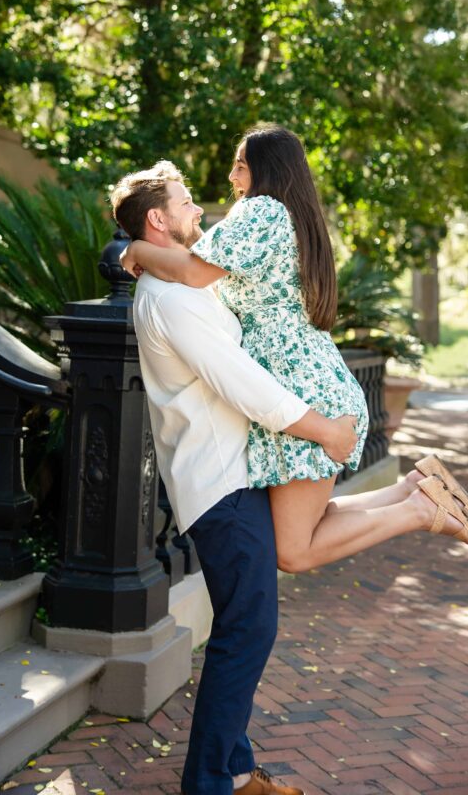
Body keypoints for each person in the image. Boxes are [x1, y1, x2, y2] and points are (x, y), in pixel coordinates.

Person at [121, 125, 468, 575]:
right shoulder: (283, 214)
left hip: (302, 390)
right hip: (307, 381)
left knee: (293, 550)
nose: (232, 178)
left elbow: (193, 273)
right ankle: (415, 487)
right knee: (308, 527)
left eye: (240, 166)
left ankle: (418, 511)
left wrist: (134, 247)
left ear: (265, 170)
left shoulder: (261, 211)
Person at [111, 160, 362, 795]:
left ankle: (237, 771)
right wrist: (323, 429)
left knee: (244, 627)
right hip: (218, 486)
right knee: (247, 631)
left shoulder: (184, 286)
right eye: (187, 202)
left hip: (233, 476)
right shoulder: (170, 299)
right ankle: (210, 784)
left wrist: (130, 250)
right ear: (159, 219)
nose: (202, 210)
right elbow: (241, 382)